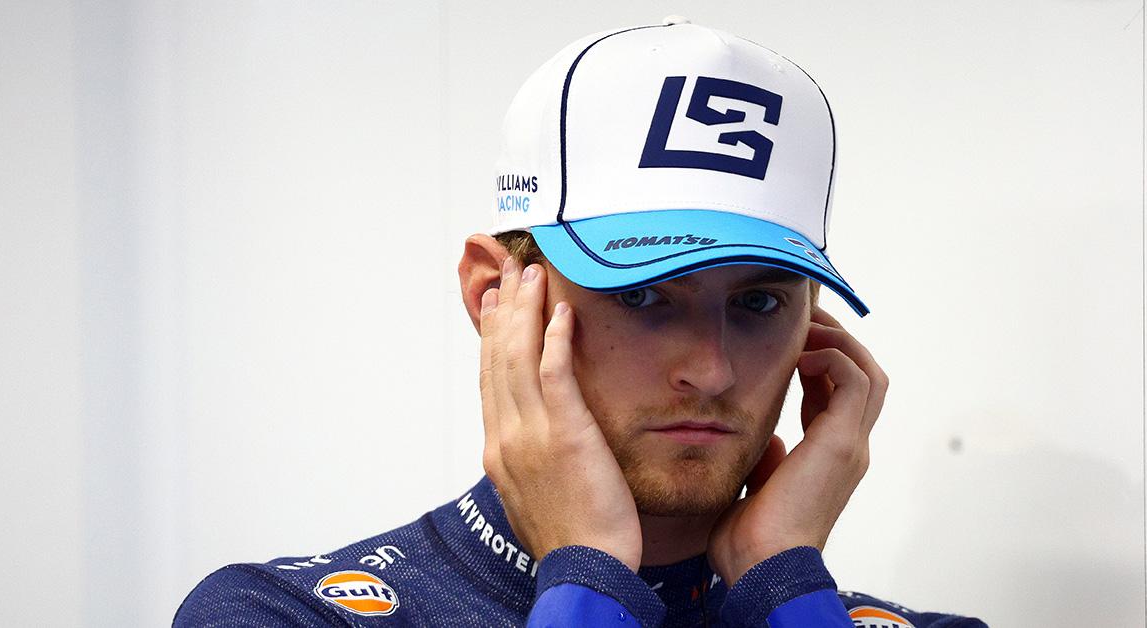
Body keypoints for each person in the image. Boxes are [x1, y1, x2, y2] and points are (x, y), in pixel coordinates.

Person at [175, 17, 987, 627]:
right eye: (641, 294)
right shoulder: (281, 614)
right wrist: (589, 572)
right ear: (497, 294)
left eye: (759, 302)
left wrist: (783, 585)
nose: (711, 371)